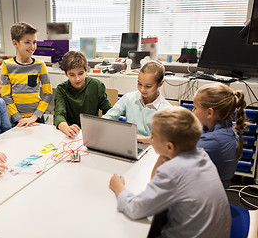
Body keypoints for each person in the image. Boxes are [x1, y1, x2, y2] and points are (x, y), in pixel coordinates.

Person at [109, 106, 231, 237]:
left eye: (153, 137)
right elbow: (156, 182)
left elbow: (135, 209)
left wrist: (119, 189)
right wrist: (164, 155)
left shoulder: (172, 171)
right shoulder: (202, 156)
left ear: (169, 146)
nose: (151, 139)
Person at [102, 61, 171, 144]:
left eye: (148, 86)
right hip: (129, 144)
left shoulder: (166, 110)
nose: (142, 89)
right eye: (139, 84)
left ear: (160, 84)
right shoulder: (129, 98)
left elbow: (168, 140)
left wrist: (144, 139)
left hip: (153, 149)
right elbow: (108, 117)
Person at [193, 82, 246, 189]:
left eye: (195, 108)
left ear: (209, 113)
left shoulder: (214, 141)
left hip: (204, 195)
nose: (193, 112)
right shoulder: (224, 127)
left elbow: (176, 160)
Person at [1, 22, 53, 127]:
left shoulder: (40, 65)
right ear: (15, 43)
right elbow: (6, 95)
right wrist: (19, 119)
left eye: (34, 42)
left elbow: (48, 94)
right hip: (16, 120)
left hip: (37, 118)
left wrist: (35, 117)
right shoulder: (7, 65)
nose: (32, 46)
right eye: (27, 42)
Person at [54, 51, 111, 138]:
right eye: (72, 75)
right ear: (66, 73)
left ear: (86, 70)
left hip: (92, 133)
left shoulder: (97, 85)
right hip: (70, 135)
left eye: (80, 73)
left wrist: (102, 128)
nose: (77, 79)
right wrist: (67, 129)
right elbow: (59, 114)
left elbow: (108, 111)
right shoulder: (61, 89)